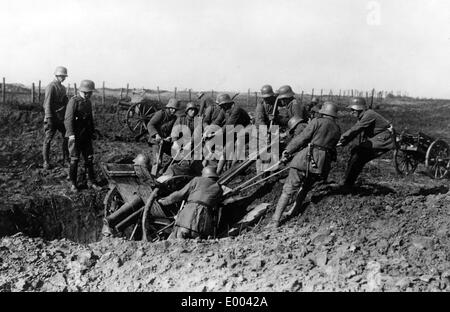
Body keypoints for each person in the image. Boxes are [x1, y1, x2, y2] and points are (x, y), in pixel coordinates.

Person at [267, 102, 341, 228]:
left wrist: (287, 151)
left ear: (323, 112)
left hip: (305, 159)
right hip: (321, 164)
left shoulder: (317, 122)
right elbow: (333, 150)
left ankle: (275, 221)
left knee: (288, 189)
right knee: (306, 187)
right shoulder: (337, 129)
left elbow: (302, 138)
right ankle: (294, 211)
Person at [338, 97, 395, 191]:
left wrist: (341, 138)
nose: (351, 112)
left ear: (360, 109)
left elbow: (356, 129)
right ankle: (348, 181)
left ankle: (348, 184)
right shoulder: (364, 115)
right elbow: (355, 132)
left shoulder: (369, 114)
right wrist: (343, 142)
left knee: (358, 155)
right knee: (356, 153)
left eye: (353, 110)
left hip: (384, 138)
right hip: (378, 137)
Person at [158, 166, 223, 239]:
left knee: (172, 242)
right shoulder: (219, 189)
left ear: (204, 174)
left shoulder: (197, 180)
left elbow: (180, 194)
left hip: (186, 219)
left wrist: (164, 201)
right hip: (202, 226)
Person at [64, 80, 101, 192]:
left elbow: (90, 119)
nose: (90, 94)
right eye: (89, 92)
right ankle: (73, 183)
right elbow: (68, 119)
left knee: (89, 159)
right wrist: (70, 134)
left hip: (86, 136)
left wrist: (93, 131)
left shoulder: (88, 102)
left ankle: (91, 181)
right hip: (75, 136)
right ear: (83, 91)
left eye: (91, 93)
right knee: (74, 160)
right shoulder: (73, 101)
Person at [215, 93, 251, 174]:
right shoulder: (224, 110)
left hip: (246, 128)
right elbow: (217, 121)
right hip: (234, 130)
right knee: (226, 150)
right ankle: (217, 172)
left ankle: (232, 169)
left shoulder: (236, 109)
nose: (220, 107)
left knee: (237, 144)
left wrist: (217, 133)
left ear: (226, 104)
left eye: (221, 105)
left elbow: (229, 125)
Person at [42, 66, 70, 170]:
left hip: (60, 118)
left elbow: (64, 102)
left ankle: (66, 160)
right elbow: (47, 103)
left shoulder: (62, 88)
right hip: (52, 117)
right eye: (61, 76)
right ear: (57, 75)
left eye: (64, 76)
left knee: (66, 137)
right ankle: (46, 162)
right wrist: (49, 118)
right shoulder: (51, 86)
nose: (63, 78)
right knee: (48, 139)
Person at [147, 98, 180, 171]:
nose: (173, 111)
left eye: (175, 109)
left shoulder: (174, 118)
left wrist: (170, 137)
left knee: (177, 155)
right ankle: (153, 177)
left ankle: (164, 170)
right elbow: (150, 124)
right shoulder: (161, 113)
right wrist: (156, 134)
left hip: (165, 141)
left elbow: (174, 130)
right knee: (157, 161)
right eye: (172, 108)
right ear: (168, 107)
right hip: (156, 141)